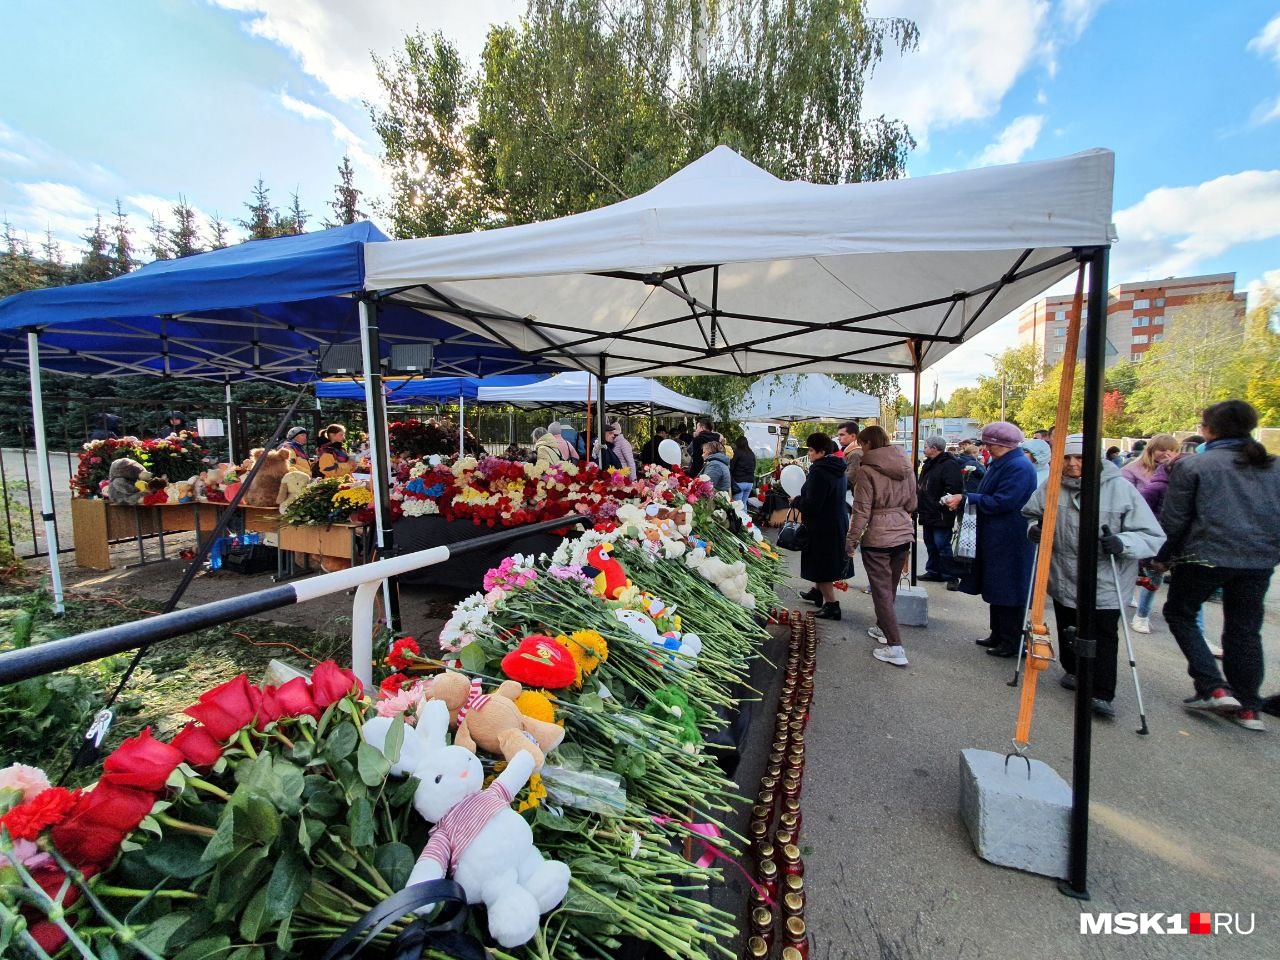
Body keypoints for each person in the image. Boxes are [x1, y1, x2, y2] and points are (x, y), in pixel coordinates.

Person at [1156, 400, 1280, 732]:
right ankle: (1249, 706)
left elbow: (1174, 520)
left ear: (1208, 429)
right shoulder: (1274, 465)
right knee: (1245, 630)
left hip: (1205, 556)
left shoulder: (1196, 466)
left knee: (1180, 614)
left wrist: (1160, 558)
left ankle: (1213, 686)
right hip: (1258, 560)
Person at [1023, 434, 1165, 718]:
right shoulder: (1052, 486)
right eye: (1066, 458)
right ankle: (1074, 670)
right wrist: (1034, 529)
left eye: (1080, 458)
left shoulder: (1121, 489)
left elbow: (1151, 535)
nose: (1073, 464)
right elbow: (1029, 514)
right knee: (1067, 622)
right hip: (1063, 571)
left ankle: (1102, 692)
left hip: (1105, 577)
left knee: (1102, 633)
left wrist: (1123, 542)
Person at [943, 422, 1038, 658]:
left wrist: (967, 498)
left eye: (989, 443)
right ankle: (998, 633)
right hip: (998, 535)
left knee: (1008, 589)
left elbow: (1003, 501)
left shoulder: (1018, 467)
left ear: (1000, 444)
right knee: (997, 587)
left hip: (1009, 538)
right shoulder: (1005, 463)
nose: (986, 447)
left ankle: (1012, 641)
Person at [847, 426, 918, 666]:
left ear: (867, 444)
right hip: (903, 533)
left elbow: (861, 512)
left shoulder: (866, 471)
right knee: (890, 587)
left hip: (878, 537)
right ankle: (881, 628)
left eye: (861, 443)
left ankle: (895, 646)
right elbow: (912, 502)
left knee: (882, 592)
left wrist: (851, 541)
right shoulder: (906, 466)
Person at [1125, 434, 1201, 637]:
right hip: (1152, 536)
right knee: (1150, 577)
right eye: (1161, 449)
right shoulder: (1137, 473)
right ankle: (1141, 615)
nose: (1166, 454)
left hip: (1180, 539)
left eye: (1171, 450)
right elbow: (1133, 507)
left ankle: (1199, 630)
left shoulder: (1182, 478)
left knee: (1188, 586)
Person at [792, 433, 850, 620]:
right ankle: (817, 593)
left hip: (822, 526)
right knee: (824, 561)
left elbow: (812, 504)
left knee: (822, 564)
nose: (808, 454)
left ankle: (832, 605)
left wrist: (796, 500)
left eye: (810, 450)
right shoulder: (837, 468)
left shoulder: (819, 470)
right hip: (836, 521)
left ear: (822, 452)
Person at [917, 434, 965, 589]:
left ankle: (952, 575)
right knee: (931, 543)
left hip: (941, 512)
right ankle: (934, 571)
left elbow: (953, 488)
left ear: (934, 448)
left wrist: (940, 503)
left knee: (942, 544)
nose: (923, 449)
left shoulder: (948, 464)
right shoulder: (929, 464)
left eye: (925, 446)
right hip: (927, 511)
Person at [834, 421, 862, 491]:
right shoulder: (847, 450)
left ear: (853, 436)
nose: (838, 438)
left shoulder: (855, 454)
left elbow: (849, 481)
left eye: (842, 435)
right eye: (838, 435)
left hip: (853, 497)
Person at [730, 436, 756, 506]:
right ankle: (745, 517)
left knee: (737, 506)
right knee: (744, 504)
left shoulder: (737, 453)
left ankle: (739, 517)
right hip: (750, 483)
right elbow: (754, 467)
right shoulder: (751, 454)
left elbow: (731, 467)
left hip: (739, 482)